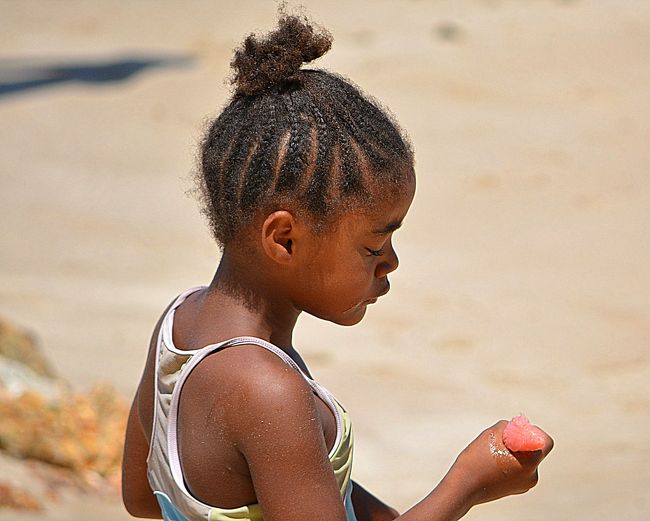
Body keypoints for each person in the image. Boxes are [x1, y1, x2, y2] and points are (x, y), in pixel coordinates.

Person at [121, 13, 553, 521]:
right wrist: (468, 484)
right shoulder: (269, 394)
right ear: (284, 239)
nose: (391, 262)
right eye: (375, 245)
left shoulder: (179, 324)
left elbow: (144, 497)